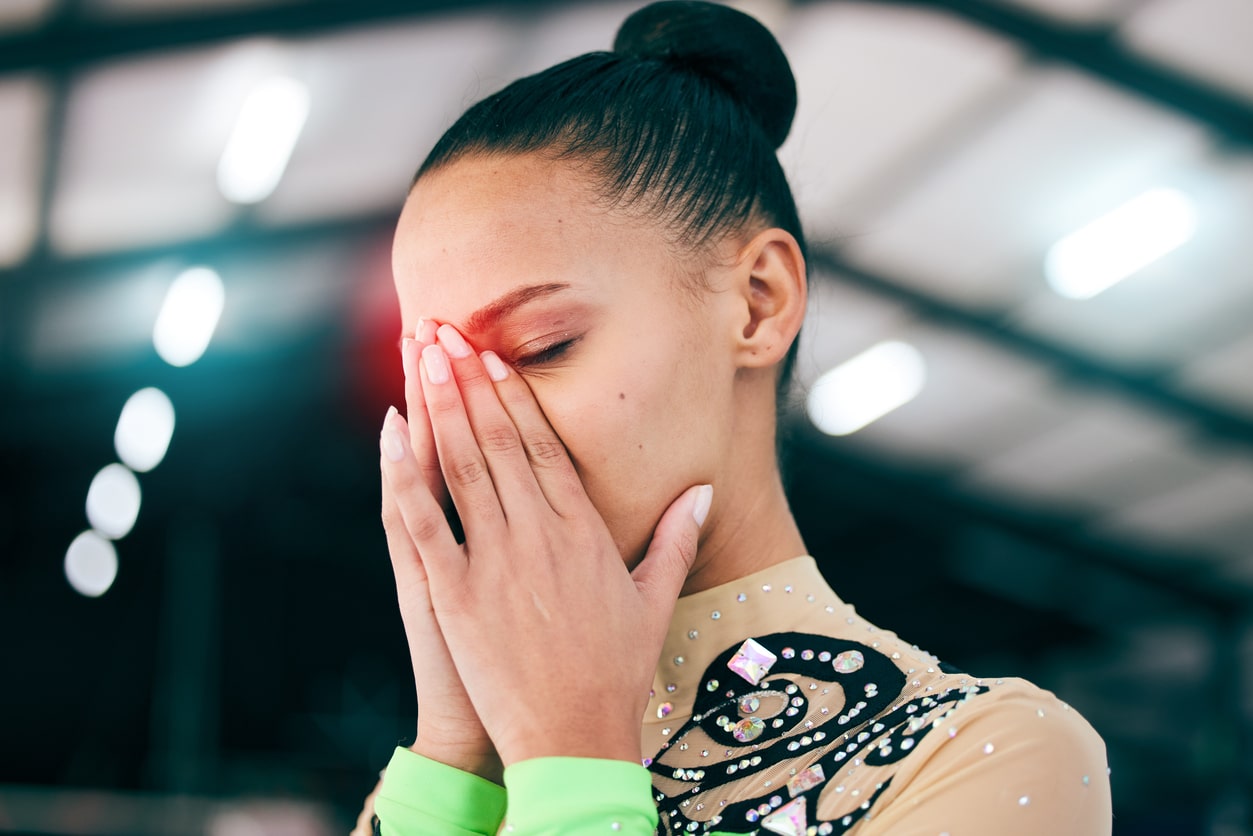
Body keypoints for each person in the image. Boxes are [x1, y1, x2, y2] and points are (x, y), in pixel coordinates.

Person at [361, 2, 1112, 833]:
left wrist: (572, 753)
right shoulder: (455, 781)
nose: (475, 424)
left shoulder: (981, 755)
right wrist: (455, 750)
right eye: (433, 376)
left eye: (543, 346)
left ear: (758, 304)